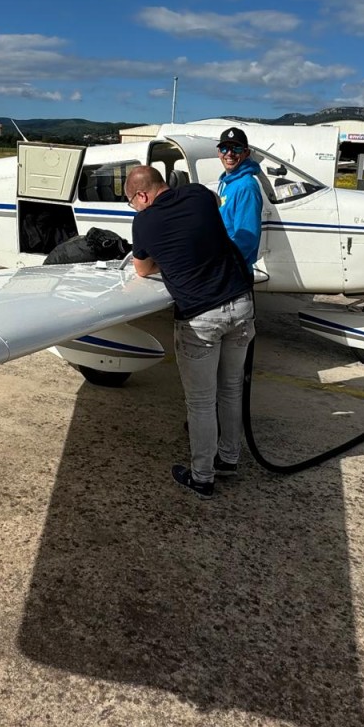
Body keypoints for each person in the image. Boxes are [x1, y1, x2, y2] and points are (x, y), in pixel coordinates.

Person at [125, 165, 255, 499]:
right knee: (231, 390)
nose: (135, 208)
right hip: (241, 304)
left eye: (132, 202)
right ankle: (229, 458)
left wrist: (164, 254)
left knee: (200, 402)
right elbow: (208, 216)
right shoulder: (199, 194)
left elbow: (142, 269)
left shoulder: (144, 222)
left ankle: (202, 477)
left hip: (200, 317)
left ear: (142, 195)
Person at [215, 127, 263, 267]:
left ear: (246, 153)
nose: (230, 153)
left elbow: (247, 238)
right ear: (219, 153)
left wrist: (221, 266)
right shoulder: (227, 182)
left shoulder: (246, 187)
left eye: (236, 148)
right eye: (224, 148)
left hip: (233, 270)